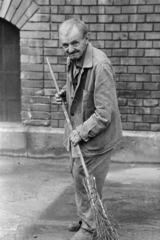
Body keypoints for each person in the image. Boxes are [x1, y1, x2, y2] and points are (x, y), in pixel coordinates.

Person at [55, 18, 122, 240]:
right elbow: (77, 84)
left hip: (95, 137)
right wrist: (66, 92)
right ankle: (87, 217)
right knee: (79, 177)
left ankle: (91, 227)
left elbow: (104, 114)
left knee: (89, 181)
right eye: (65, 45)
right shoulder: (73, 58)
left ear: (87, 39)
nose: (69, 49)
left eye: (74, 43)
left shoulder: (100, 66)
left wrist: (81, 131)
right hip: (80, 132)